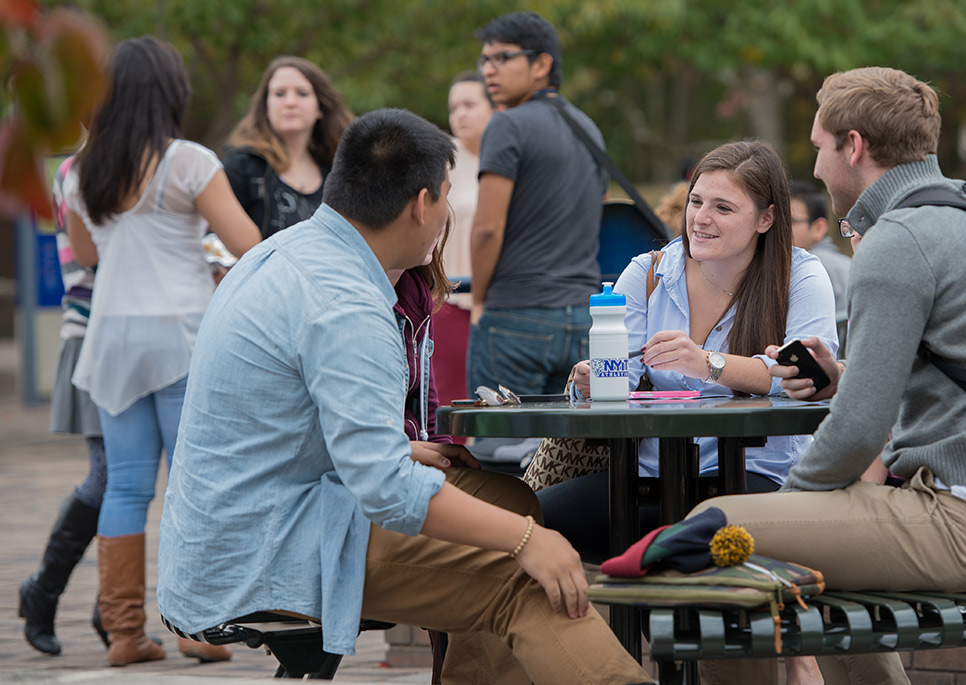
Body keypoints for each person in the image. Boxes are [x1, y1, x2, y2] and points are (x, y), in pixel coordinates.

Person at [155, 108, 653, 685]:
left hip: (252, 520)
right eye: (446, 197)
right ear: (421, 204)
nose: (447, 214)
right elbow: (387, 490)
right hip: (269, 550)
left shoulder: (289, 253)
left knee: (510, 499)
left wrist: (422, 463)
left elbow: (288, 427)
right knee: (524, 576)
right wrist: (527, 544)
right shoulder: (347, 305)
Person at [685, 67, 966, 685]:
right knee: (808, 555)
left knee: (711, 533)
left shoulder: (899, 239)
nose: (815, 169)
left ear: (854, 146)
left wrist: (791, 500)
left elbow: (856, 433)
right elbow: (958, 375)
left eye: (820, 148)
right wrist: (842, 376)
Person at [538, 140, 838, 565]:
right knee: (529, 521)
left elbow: (802, 377)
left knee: (692, 540)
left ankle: (665, 605)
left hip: (756, 480)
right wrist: (590, 381)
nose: (700, 218)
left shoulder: (800, 275)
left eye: (723, 208)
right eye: (695, 201)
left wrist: (707, 364)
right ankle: (630, 618)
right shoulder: (647, 271)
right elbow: (617, 378)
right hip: (645, 477)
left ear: (766, 218)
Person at [63, 36, 261, 666]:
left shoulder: (81, 171)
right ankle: (196, 627)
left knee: (124, 486)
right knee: (193, 484)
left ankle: (124, 634)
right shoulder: (189, 163)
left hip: (112, 342)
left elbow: (89, 258)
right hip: (182, 337)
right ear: (170, 92)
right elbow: (248, 243)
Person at [467, 11, 607, 398]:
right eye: (485, 60)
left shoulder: (506, 125)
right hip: (583, 319)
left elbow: (487, 229)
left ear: (542, 63)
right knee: (569, 455)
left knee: (498, 452)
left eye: (502, 58)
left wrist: (478, 301)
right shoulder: (590, 129)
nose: (488, 71)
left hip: (515, 317)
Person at [18, 156, 109, 656]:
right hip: (95, 332)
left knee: (131, 479)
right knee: (111, 475)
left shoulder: (158, 160)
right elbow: (93, 255)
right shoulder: (81, 169)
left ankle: (114, 606)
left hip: (150, 341)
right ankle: (44, 592)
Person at [225, 56, 353, 239]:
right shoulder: (241, 166)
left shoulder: (338, 171)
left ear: (320, 108)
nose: (290, 102)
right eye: (279, 94)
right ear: (266, 108)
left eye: (302, 93)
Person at [433, 70, 494, 407]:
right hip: (452, 299)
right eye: (453, 107)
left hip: (503, 303)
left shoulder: (511, 158)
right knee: (451, 400)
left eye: (470, 104)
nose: (460, 114)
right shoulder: (442, 160)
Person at [788, 180, 850, 333]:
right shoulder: (847, 263)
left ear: (818, 228)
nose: (779, 229)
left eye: (790, 221)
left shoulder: (804, 268)